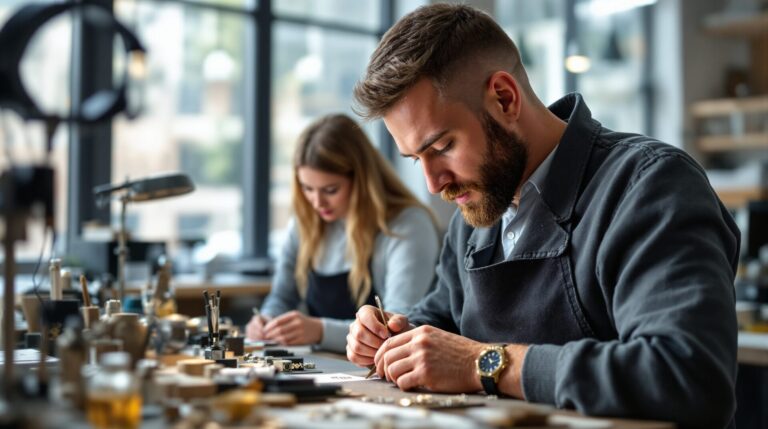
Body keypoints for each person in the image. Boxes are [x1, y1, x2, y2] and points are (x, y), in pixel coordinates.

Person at [346, 4, 739, 428]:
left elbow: (687, 375)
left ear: (504, 98)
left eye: (442, 147)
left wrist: (486, 363)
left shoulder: (650, 185)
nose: (433, 183)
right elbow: (442, 319)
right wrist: (396, 338)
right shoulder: (479, 208)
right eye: (416, 157)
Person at [246, 113, 440, 353]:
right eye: (307, 188)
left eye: (330, 189)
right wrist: (267, 320)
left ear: (361, 180)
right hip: (328, 364)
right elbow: (282, 297)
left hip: (385, 369)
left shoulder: (407, 225)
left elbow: (398, 327)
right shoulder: (305, 223)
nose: (317, 202)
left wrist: (320, 331)